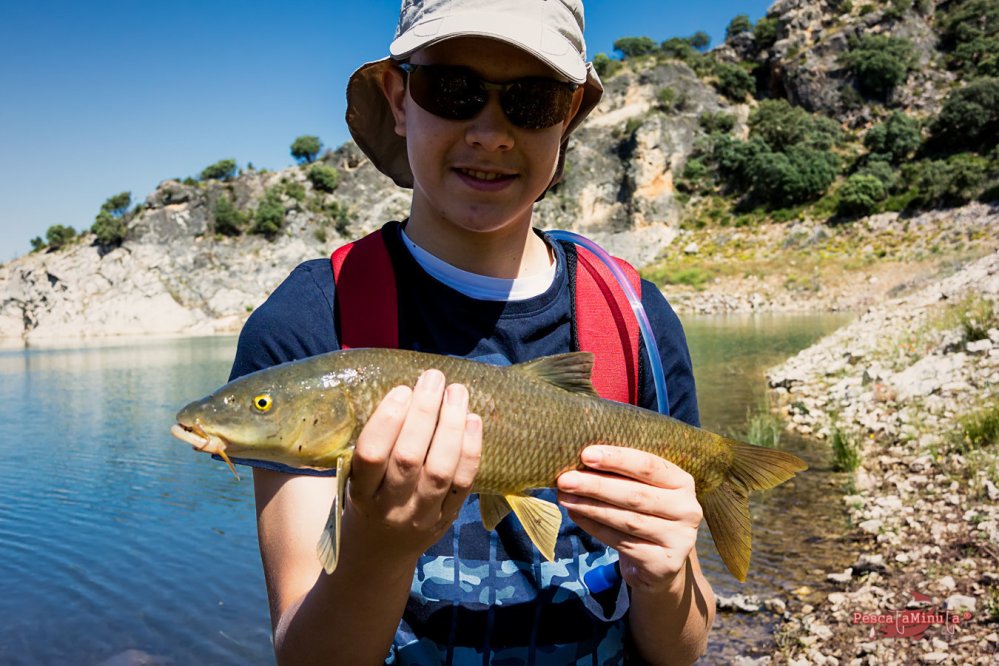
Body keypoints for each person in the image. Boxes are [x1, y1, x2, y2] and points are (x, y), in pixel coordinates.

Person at [228, 0, 716, 663]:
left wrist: (661, 577)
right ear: (400, 100)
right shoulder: (311, 325)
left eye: (532, 99)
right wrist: (377, 552)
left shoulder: (635, 317)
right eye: (451, 90)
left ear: (567, 116)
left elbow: (683, 647)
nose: (489, 132)